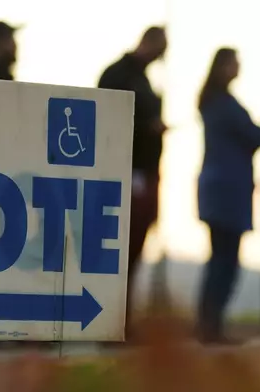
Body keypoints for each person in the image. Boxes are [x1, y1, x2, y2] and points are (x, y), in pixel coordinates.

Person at [97, 26, 168, 341]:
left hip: (145, 173)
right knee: (117, 252)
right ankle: (110, 322)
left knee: (133, 252)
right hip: (125, 173)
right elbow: (106, 118)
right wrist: (146, 128)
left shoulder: (143, 79)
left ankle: (121, 320)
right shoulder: (118, 75)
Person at [196, 48, 260, 344]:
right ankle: (211, 326)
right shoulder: (224, 105)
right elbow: (255, 135)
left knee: (220, 259)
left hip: (218, 189)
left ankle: (209, 323)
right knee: (225, 261)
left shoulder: (212, 102)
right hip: (228, 191)